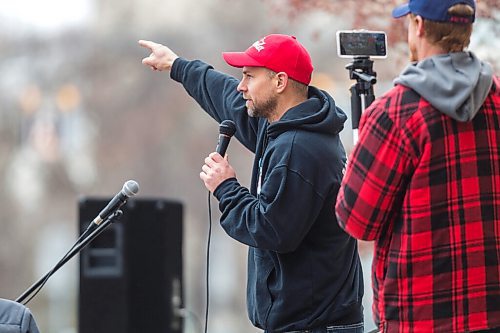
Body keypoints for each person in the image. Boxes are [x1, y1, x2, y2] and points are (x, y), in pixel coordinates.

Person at [139, 34, 364, 332]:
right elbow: (227, 99)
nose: (241, 85)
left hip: (315, 327)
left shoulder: (298, 150)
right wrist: (177, 66)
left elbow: (271, 228)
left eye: (249, 76)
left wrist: (226, 187)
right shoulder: (283, 126)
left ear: (280, 82)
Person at [335, 0, 500, 332]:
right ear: (467, 29)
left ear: (420, 26)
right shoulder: (497, 102)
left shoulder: (394, 113)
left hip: (420, 315)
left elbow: (357, 221)